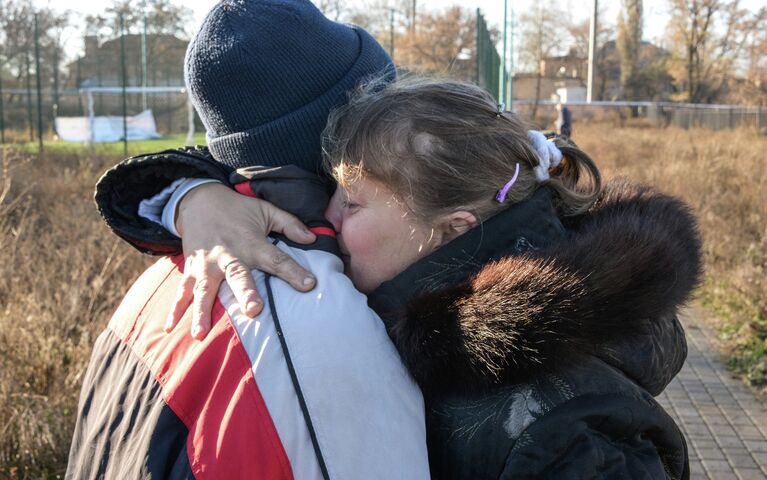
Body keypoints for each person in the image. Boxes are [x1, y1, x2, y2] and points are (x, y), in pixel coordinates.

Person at [96, 75, 701, 478]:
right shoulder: (434, 333)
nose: (326, 221)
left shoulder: (556, 434)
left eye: (351, 204)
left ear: (453, 229)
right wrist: (192, 195)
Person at [67, 0, 430, 480]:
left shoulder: (162, 277)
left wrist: (186, 195)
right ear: (347, 136)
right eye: (382, 102)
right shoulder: (324, 325)